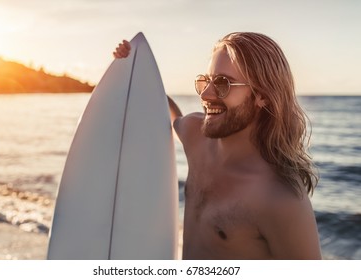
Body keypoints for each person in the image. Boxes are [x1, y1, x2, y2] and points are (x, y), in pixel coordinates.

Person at [113, 32, 322, 260]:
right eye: (206, 81)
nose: (206, 94)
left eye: (223, 83)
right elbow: (165, 109)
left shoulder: (279, 199)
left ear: (262, 96)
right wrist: (130, 67)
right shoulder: (195, 134)